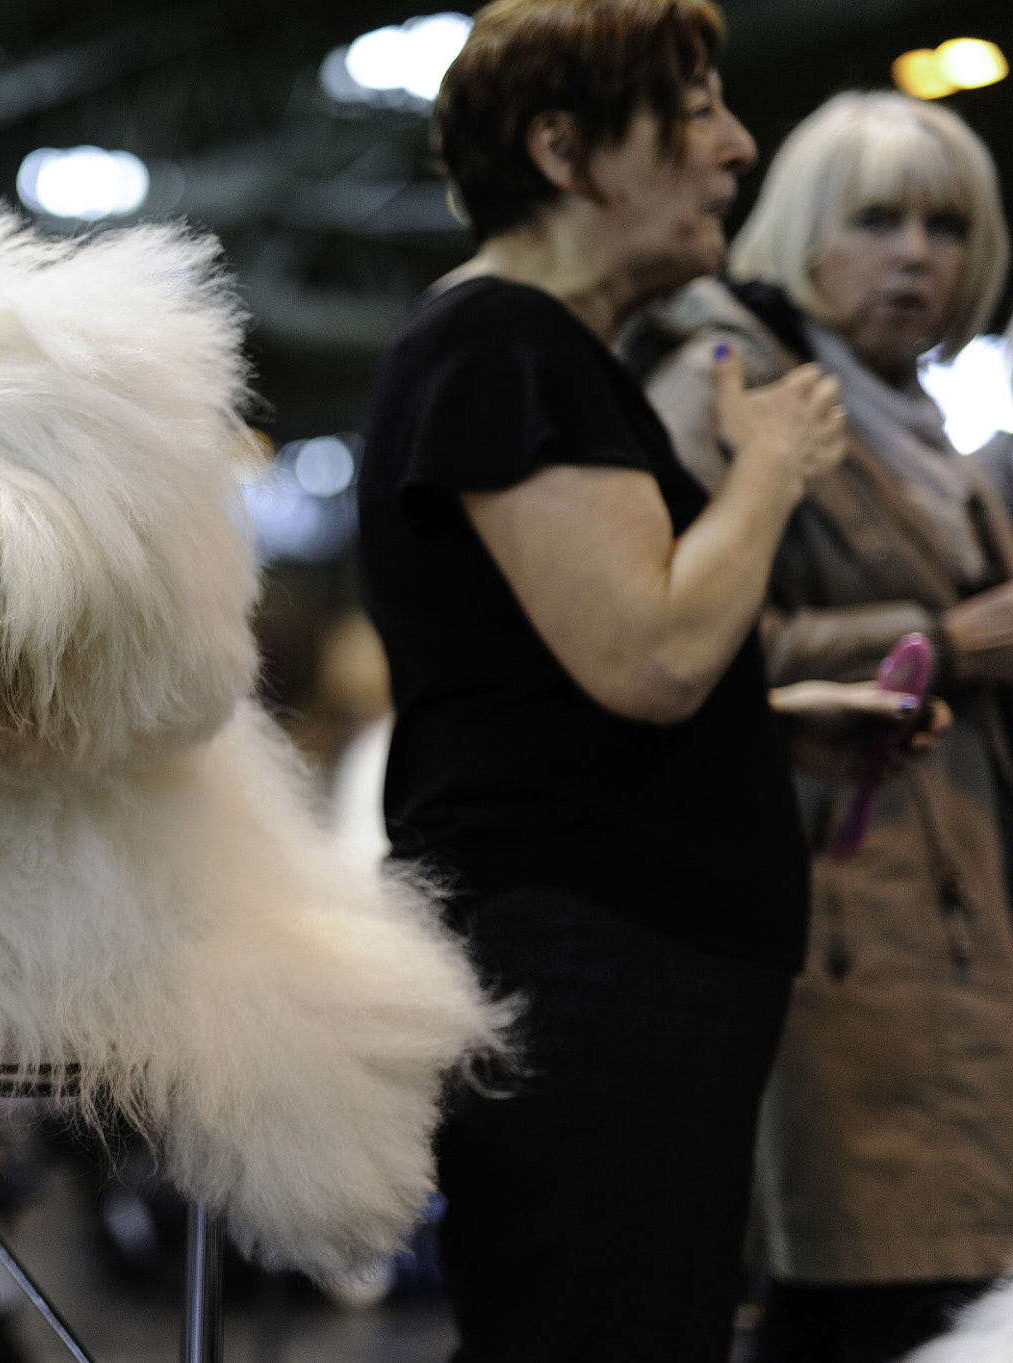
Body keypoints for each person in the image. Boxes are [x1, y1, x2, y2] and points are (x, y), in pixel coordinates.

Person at [355, 1, 870, 1357]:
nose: (738, 149)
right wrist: (767, 464)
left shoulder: (530, 348)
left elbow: (569, 674)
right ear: (566, 149)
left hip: (616, 961)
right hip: (596, 966)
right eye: (697, 112)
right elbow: (652, 655)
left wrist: (777, 723)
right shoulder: (500, 342)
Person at [635, 91, 1013, 1363]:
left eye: (944, 225)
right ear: (801, 228)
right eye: (875, 219)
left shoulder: (924, 430)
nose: (915, 253)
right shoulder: (732, 386)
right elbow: (664, 643)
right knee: (867, 1289)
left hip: (953, 909)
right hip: (828, 907)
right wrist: (936, 640)